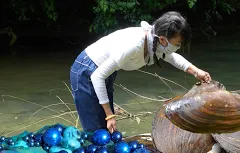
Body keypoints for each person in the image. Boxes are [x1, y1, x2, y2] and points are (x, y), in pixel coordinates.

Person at [69, 11, 212, 133]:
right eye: (177, 45)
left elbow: (171, 56)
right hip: (87, 71)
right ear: (162, 39)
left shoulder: (154, 41)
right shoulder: (133, 46)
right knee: (95, 131)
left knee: (106, 131)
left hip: (106, 71)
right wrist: (109, 115)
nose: (178, 48)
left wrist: (196, 72)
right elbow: (97, 77)